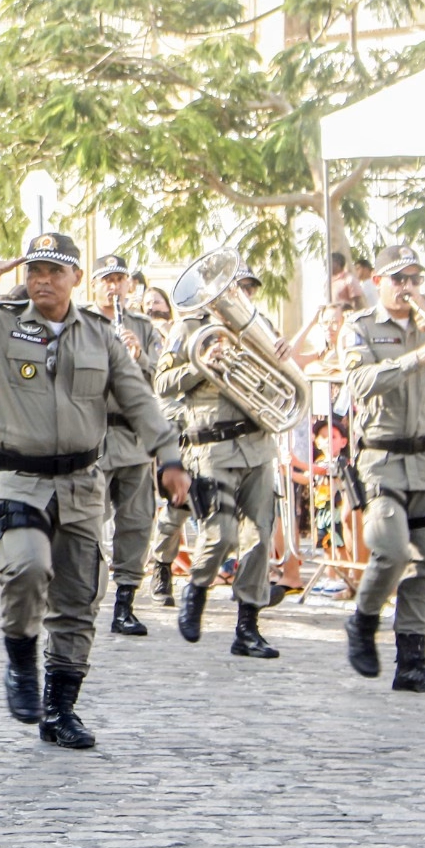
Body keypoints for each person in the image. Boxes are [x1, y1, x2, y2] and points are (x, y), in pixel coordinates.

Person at [0, 233, 187, 749]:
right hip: (20, 478)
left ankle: (60, 711)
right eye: (34, 270)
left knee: (78, 599)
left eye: (54, 271)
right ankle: (20, 659)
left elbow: (140, 400)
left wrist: (168, 456)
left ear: (75, 279)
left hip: (83, 483)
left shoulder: (100, 336)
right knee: (25, 567)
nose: (42, 279)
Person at [340, 245, 425, 693]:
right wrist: (414, 358)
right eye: (399, 278)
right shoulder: (360, 327)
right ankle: (363, 619)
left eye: (414, 279)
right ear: (379, 283)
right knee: (391, 549)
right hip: (382, 458)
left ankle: (412, 662)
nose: (408, 287)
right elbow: (359, 382)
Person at [156, 262, 285, 659]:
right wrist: (201, 364)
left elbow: (281, 386)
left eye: (247, 288)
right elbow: (162, 383)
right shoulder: (190, 329)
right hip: (211, 447)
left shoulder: (261, 326)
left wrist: (280, 358)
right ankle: (196, 589)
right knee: (221, 533)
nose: (242, 295)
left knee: (259, 538)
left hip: (258, 444)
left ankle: (248, 627)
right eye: (236, 287)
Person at [83, 254, 165, 636]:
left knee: (135, 523)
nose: (114, 286)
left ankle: (126, 603)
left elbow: (160, 382)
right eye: (107, 279)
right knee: (87, 522)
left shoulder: (144, 328)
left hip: (132, 438)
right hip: (93, 436)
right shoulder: (78, 322)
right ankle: (84, 598)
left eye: (121, 279)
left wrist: (139, 356)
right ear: (94, 284)